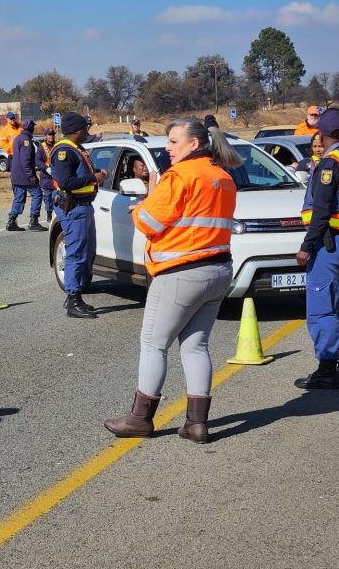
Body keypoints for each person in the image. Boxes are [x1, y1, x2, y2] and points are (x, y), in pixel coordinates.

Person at [104, 118, 240, 443]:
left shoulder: (179, 176)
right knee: (196, 346)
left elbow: (150, 223)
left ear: (194, 144)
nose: (168, 148)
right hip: (218, 270)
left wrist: (139, 209)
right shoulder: (223, 177)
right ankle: (196, 424)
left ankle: (140, 419)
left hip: (181, 272)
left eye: (173, 141)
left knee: (153, 343)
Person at [294, 108, 339, 389]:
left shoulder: (329, 165)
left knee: (322, 308)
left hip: (330, 243)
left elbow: (322, 210)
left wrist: (306, 246)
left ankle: (326, 369)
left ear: (322, 135)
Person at [50, 112, 107, 318]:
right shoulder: (63, 152)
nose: (87, 131)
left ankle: (76, 295)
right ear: (76, 130)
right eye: (85, 128)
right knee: (76, 253)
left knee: (87, 251)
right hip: (74, 207)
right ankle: (73, 299)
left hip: (83, 207)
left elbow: (79, 175)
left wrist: (96, 174)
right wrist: (94, 177)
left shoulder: (76, 148)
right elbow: (65, 182)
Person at [6, 120, 46, 232]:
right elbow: (26, 160)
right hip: (25, 176)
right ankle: (34, 221)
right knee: (37, 194)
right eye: (33, 127)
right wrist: (31, 175)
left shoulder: (17, 138)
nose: (34, 129)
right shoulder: (26, 140)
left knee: (19, 197)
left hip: (16, 175)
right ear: (29, 128)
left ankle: (12, 221)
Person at [36, 128, 57, 222]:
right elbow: (38, 161)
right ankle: (49, 213)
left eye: (52, 134)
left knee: (57, 196)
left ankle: (56, 213)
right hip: (46, 177)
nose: (51, 137)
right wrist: (46, 168)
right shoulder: (41, 147)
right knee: (47, 197)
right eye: (49, 135)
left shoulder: (57, 145)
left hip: (57, 177)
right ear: (45, 136)